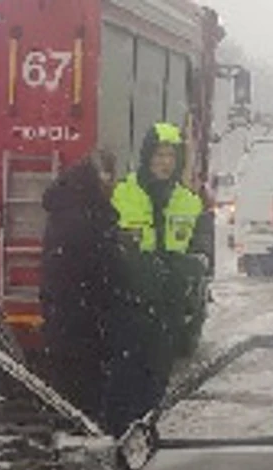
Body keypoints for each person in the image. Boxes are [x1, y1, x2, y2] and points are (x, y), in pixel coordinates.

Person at [105, 122, 211, 433]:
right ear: (147, 155)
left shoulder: (190, 202)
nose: (165, 162)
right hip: (127, 308)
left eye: (171, 155)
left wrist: (185, 269)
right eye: (160, 154)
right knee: (121, 384)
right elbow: (104, 244)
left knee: (155, 389)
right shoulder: (122, 193)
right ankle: (115, 442)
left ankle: (143, 442)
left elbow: (203, 254)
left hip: (168, 312)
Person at [39, 150, 134, 418]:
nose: (114, 185)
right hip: (83, 330)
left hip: (68, 325)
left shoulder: (69, 210)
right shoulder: (85, 219)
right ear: (97, 179)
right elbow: (101, 272)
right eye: (110, 178)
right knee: (82, 404)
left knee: (68, 397)